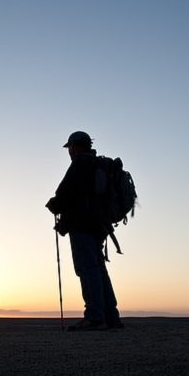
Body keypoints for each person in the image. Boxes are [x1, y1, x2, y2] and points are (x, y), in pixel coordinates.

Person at [46, 131, 124, 331]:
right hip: (99, 225)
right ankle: (111, 317)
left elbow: (65, 192)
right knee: (98, 269)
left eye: (70, 147)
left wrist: (54, 204)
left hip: (82, 224)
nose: (69, 151)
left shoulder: (81, 163)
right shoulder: (97, 164)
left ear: (75, 145)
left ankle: (95, 317)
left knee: (87, 269)